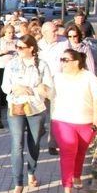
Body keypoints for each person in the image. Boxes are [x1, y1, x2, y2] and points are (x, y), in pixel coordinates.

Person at [1, 34, 53, 193]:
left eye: (21, 48)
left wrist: (32, 90)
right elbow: (5, 86)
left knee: (34, 143)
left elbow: (49, 88)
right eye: (17, 47)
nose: (18, 50)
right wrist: (15, 88)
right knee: (17, 144)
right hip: (16, 106)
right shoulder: (12, 64)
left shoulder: (42, 65)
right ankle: (18, 183)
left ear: (31, 48)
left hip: (35, 107)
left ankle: (31, 171)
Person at [51, 49, 97, 193]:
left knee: (80, 151)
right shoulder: (57, 77)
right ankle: (67, 187)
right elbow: (49, 93)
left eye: (65, 60)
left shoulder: (88, 77)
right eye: (61, 60)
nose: (62, 63)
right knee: (68, 150)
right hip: (62, 120)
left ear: (76, 62)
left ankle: (76, 176)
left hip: (85, 121)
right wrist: (41, 89)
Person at [38, 21, 70, 155]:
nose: (56, 33)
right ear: (44, 33)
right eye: (53, 31)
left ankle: (53, 143)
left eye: (57, 30)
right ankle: (39, 133)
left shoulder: (64, 42)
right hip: (42, 83)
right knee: (40, 113)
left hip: (58, 83)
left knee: (55, 114)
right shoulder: (38, 45)